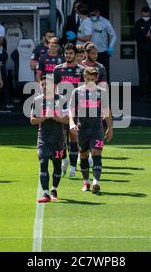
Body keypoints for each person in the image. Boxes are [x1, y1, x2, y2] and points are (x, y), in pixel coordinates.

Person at [69, 66, 113, 193]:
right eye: (88, 79)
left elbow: (107, 111)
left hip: (96, 129)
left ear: (96, 79)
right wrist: (72, 123)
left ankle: (96, 182)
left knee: (96, 153)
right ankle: (86, 182)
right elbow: (71, 110)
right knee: (83, 155)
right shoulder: (76, 92)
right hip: (82, 129)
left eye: (92, 79)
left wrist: (110, 128)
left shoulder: (101, 92)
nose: (90, 82)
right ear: (84, 78)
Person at [31, 75, 69, 203]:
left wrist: (54, 116)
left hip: (58, 137)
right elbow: (32, 120)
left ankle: (54, 190)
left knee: (57, 166)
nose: (45, 87)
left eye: (47, 84)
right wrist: (45, 118)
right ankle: (45, 193)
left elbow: (67, 119)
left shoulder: (61, 99)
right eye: (42, 85)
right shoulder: (37, 100)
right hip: (43, 137)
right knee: (43, 162)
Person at [53, 43, 85, 179]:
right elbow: (54, 89)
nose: (68, 55)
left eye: (71, 53)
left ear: (75, 54)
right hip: (62, 108)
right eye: (66, 53)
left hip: (76, 109)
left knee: (74, 137)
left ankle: (72, 168)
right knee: (61, 138)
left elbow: (85, 89)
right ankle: (64, 159)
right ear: (64, 54)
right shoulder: (58, 69)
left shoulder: (82, 70)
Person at [134, 6, 151, 100]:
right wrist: (145, 36)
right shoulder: (138, 23)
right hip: (141, 53)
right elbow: (136, 37)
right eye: (144, 13)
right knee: (142, 73)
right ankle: (142, 93)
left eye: (147, 13)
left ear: (149, 13)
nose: (145, 15)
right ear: (141, 13)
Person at [88, 7, 117, 82]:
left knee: (103, 73)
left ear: (98, 12)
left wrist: (110, 47)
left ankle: (105, 91)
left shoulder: (105, 22)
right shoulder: (87, 21)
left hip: (103, 52)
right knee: (90, 73)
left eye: (94, 14)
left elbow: (114, 35)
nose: (93, 16)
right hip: (90, 52)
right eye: (91, 14)